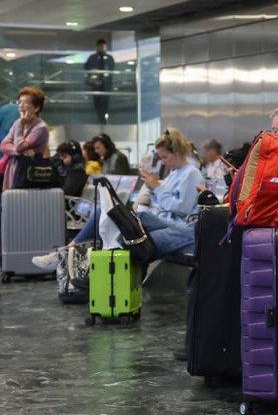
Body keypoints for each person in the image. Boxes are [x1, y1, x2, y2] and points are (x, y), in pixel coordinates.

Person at [32, 128, 205, 270]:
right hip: (162, 221)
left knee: (127, 222)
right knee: (106, 212)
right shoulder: (175, 174)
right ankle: (68, 251)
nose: (164, 162)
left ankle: (70, 256)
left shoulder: (192, 174)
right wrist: (152, 189)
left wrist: (156, 187)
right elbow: (161, 201)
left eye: (165, 157)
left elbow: (180, 207)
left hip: (176, 226)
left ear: (176, 152)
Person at [1, 87, 50, 190]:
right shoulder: (17, 123)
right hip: (12, 170)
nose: (20, 106)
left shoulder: (41, 128)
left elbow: (20, 146)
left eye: (24, 103)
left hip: (29, 174)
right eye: (19, 102)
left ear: (36, 108)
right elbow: (3, 145)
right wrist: (20, 151)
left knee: (23, 203)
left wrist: (20, 124)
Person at [84, 38, 115, 124]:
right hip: (96, 84)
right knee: (97, 103)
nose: (102, 48)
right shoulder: (92, 57)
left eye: (103, 46)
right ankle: (100, 118)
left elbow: (111, 69)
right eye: (100, 46)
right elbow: (86, 67)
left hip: (106, 85)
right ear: (97, 47)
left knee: (105, 103)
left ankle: (103, 119)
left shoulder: (109, 58)